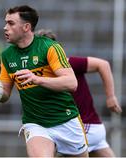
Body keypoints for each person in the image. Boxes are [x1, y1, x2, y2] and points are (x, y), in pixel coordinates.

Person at [0, 5, 88, 157]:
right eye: (6, 22)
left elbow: (71, 83)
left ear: (26, 27)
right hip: (35, 123)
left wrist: (36, 79)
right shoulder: (7, 55)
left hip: (66, 120)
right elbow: (4, 95)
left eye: (11, 23)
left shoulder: (49, 47)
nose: (5, 27)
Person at [35, 29, 122, 157]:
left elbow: (103, 65)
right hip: (92, 127)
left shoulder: (68, 64)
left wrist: (110, 97)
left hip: (84, 128)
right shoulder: (41, 73)